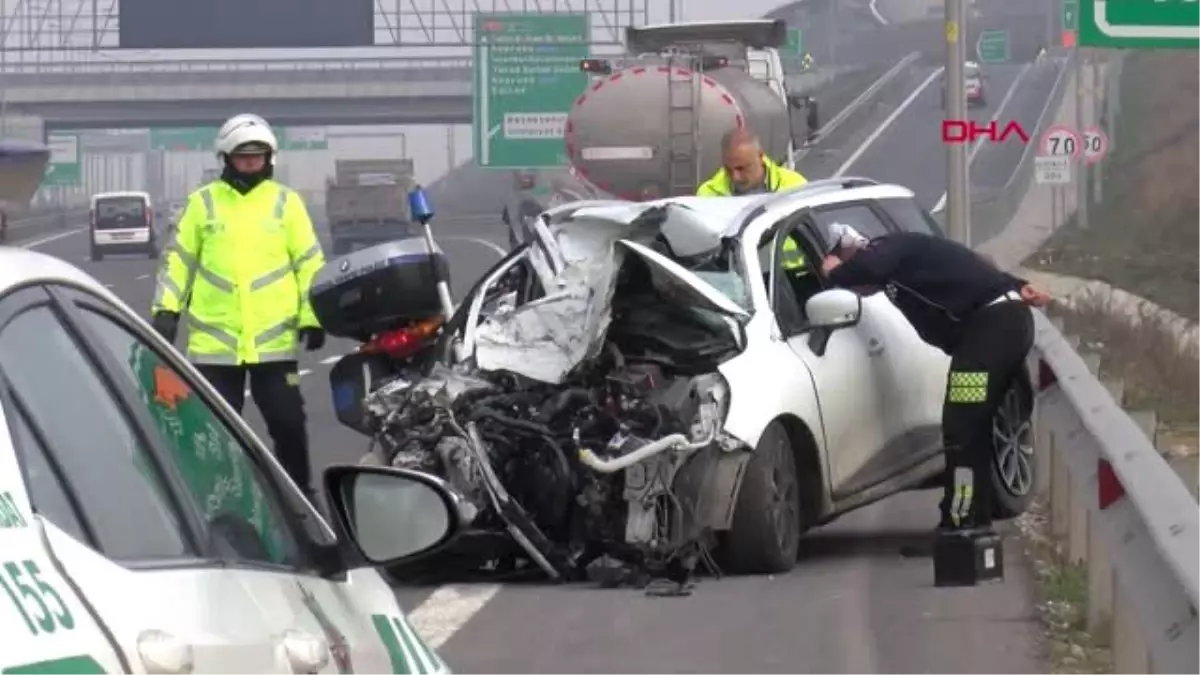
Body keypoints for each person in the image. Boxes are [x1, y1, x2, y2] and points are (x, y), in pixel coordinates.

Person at [820, 227, 1052, 533]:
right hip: (1003, 325)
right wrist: (1019, 285)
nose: (855, 290)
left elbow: (869, 266)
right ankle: (972, 517)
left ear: (853, 249)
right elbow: (972, 266)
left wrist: (834, 273)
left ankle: (961, 520)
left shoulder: (887, 247)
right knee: (974, 426)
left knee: (961, 425)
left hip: (992, 331)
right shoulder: (904, 259)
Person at [149, 112, 327, 498]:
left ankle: (301, 500)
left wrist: (314, 317)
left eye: (257, 156)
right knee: (211, 436)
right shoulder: (202, 204)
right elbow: (177, 260)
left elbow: (309, 263)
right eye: (243, 156)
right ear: (226, 159)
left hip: (274, 347)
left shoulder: (287, 204)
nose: (250, 163)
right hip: (215, 349)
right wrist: (166, 310)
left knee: (289, 424)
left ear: (270, 159)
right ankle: (212, 501)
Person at [697, 128, 810, 271]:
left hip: (793, 279)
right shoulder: (707, 195)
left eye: (742, 168)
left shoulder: (794, 186)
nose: (735, 177)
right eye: (728, 169)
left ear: (760, 156)